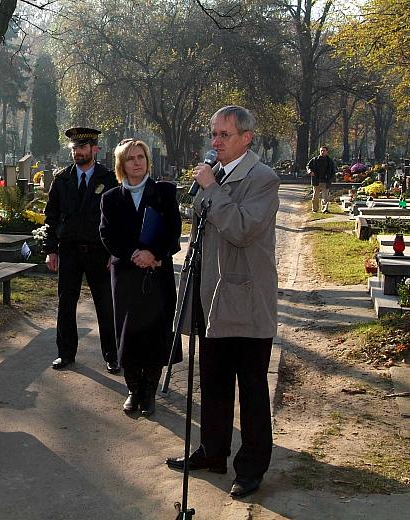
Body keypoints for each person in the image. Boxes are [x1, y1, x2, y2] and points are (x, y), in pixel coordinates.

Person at [165, 106, 279, 499]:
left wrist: (212, 190)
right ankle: (213, 451)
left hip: (246, 299)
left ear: (246, 137)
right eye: (213, 134)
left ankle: (250, 468)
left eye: (223, 135)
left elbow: (243, 229)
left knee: (250, 388)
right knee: (212, 382)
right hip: (209, 294)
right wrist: (206, 191)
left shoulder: (263, 179)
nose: (215, 142)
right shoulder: (217, 177)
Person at [99, 138, 182, 416]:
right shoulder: (110, 199)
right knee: (129, 333)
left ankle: (149, 393)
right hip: (126, 275)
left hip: (157, 274)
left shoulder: (164, 193)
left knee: (156, 333)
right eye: (131, 158)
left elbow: (173, 231)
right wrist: (134, 253)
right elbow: (107, 234)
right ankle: (133, 391)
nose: (137, 162)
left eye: (141, 157)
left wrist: (153, 254)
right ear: (121, 165)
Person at [42, 127, 119, 373]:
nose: (77, 152)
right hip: (69, 251)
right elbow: (50, 217)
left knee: (105, 305)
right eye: (74, 148)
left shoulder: (108, 179)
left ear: (94, 149)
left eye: (82, 147)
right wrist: (50, 250)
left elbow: (117, 219)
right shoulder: (62, 179)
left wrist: (114, 252)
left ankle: (112, 355)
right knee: (66, 305)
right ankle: (65, 354)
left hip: (99, 251)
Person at [307, 145, 335, 212]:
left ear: (327, 152)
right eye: (321, 151)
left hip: (326, 181)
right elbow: (308, 166)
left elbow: (333, 171)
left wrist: (331, 179)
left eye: (324, 151)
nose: (322, 152)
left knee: (325, 197)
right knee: (315, 196)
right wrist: (310, 171)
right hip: (316, 180)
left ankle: (325, 209)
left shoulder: (330, 161)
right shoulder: (315, 160)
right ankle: (315, 209)